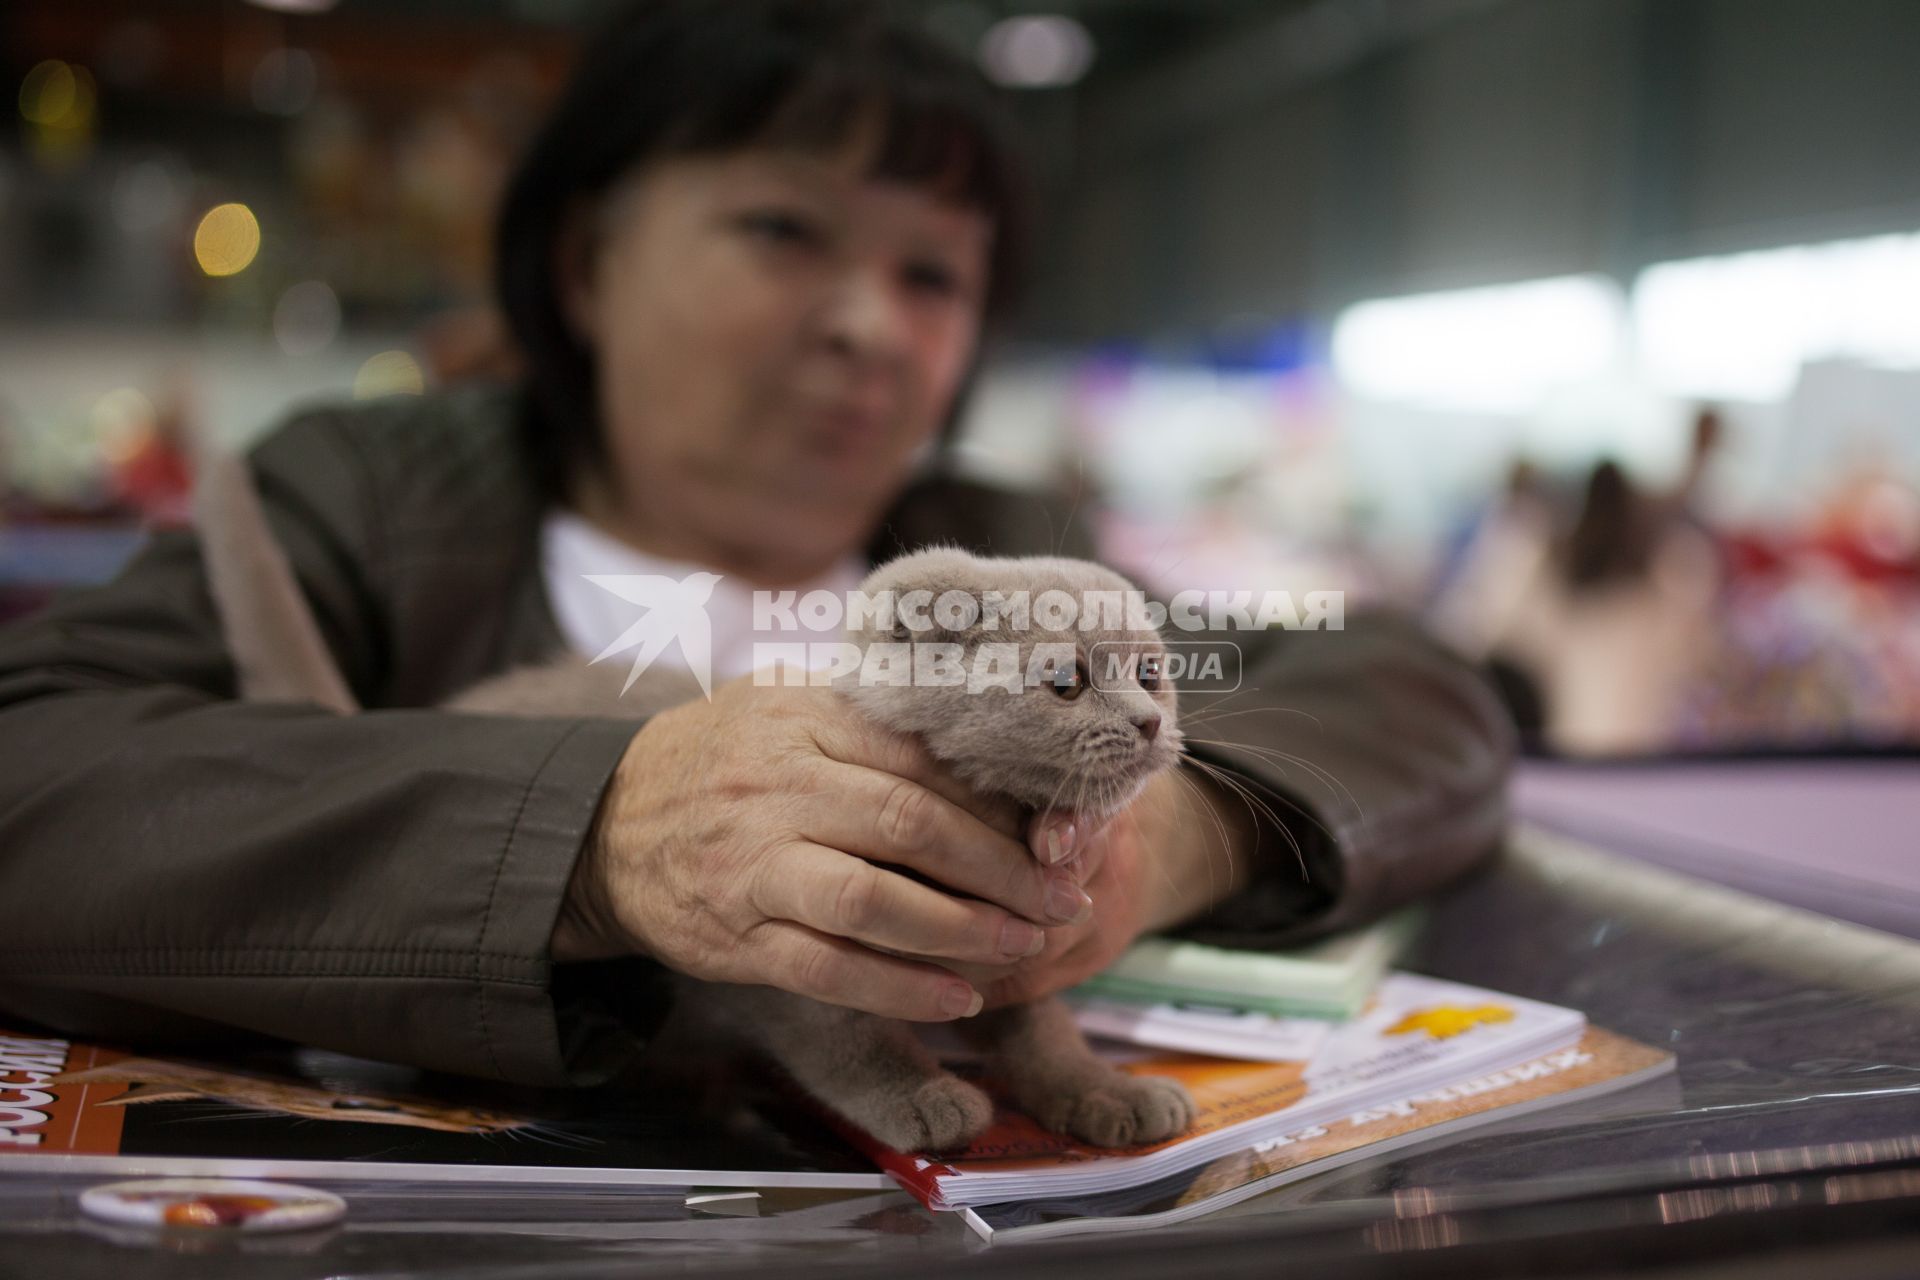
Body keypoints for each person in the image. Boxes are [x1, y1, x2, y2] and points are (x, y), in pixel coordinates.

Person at [0, 0, 1513, 1085]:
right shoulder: (349, 506)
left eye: (933, 272)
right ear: (589, 261)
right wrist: (592, 839)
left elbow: (1414, 689)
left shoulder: (1004, 548)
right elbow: (40, 781)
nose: (869, 325)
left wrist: (1180, 833)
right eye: (786, 231)